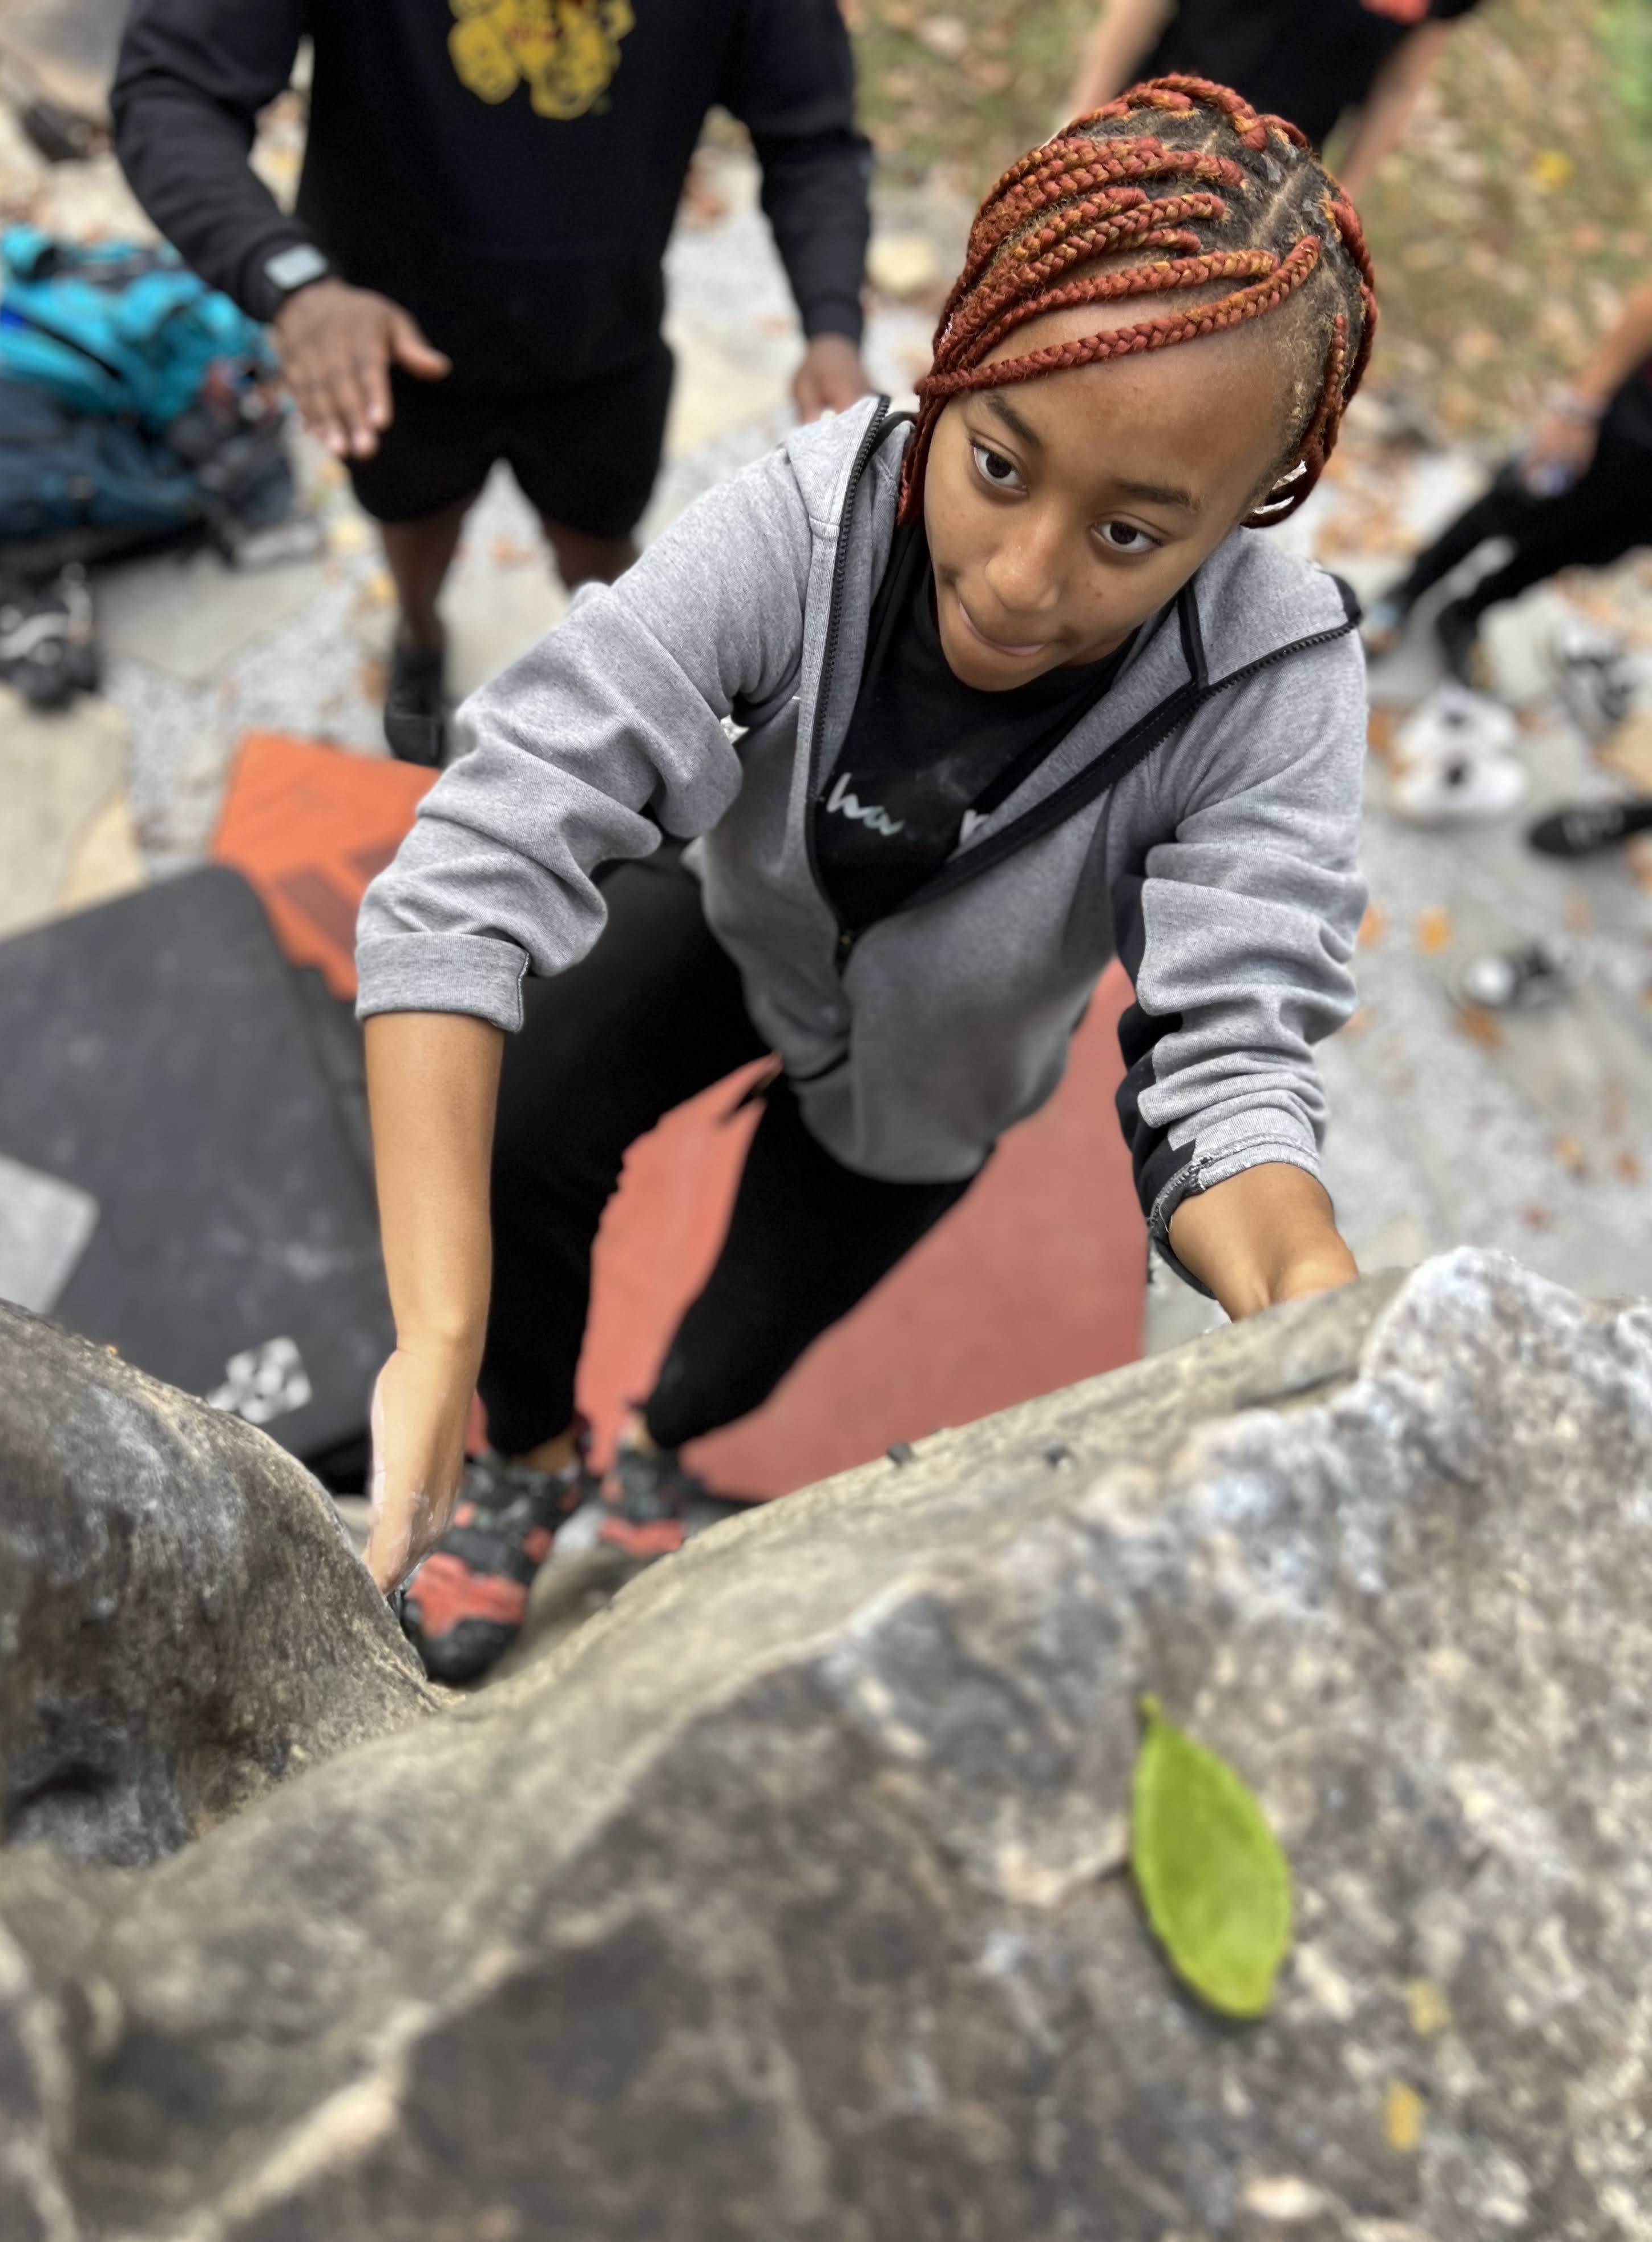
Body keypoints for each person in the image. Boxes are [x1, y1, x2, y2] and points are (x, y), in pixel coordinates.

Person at [354, 76, 1377, 1683]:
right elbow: (478, 853)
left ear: (1250, 512)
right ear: (953, 359)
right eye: (998, 463)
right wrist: (442, 1337)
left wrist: (1320, 1313)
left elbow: (1233, 1062)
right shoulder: (807, 519)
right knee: (533, 1115)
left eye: (1132, 537)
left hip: (939, 1080)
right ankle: (532, 1464)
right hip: (746, 907)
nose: (1024, 578)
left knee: (752, 1337)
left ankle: (655, 1458)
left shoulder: (1270, 679)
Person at [111, 0, 874, 768]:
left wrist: (832, 324)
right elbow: (170, 87)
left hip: (601, 338)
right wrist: (294, 282)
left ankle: (624, 678)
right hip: (388, 338)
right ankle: (419, 635)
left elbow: (811, 139)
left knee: (602, 541)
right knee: (411, 517)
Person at [1363, 281, 1652, 692]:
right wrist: (1580, 407)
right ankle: (1410, 589)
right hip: (1631, 425)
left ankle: (1467, 613)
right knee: (1513, 504)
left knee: (1577, 547)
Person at [1064, 0, 1484, 192]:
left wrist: (1345, 202)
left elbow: (1400, 84)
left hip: (1269, 184)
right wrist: (1080, 119)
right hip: (1145, 129)